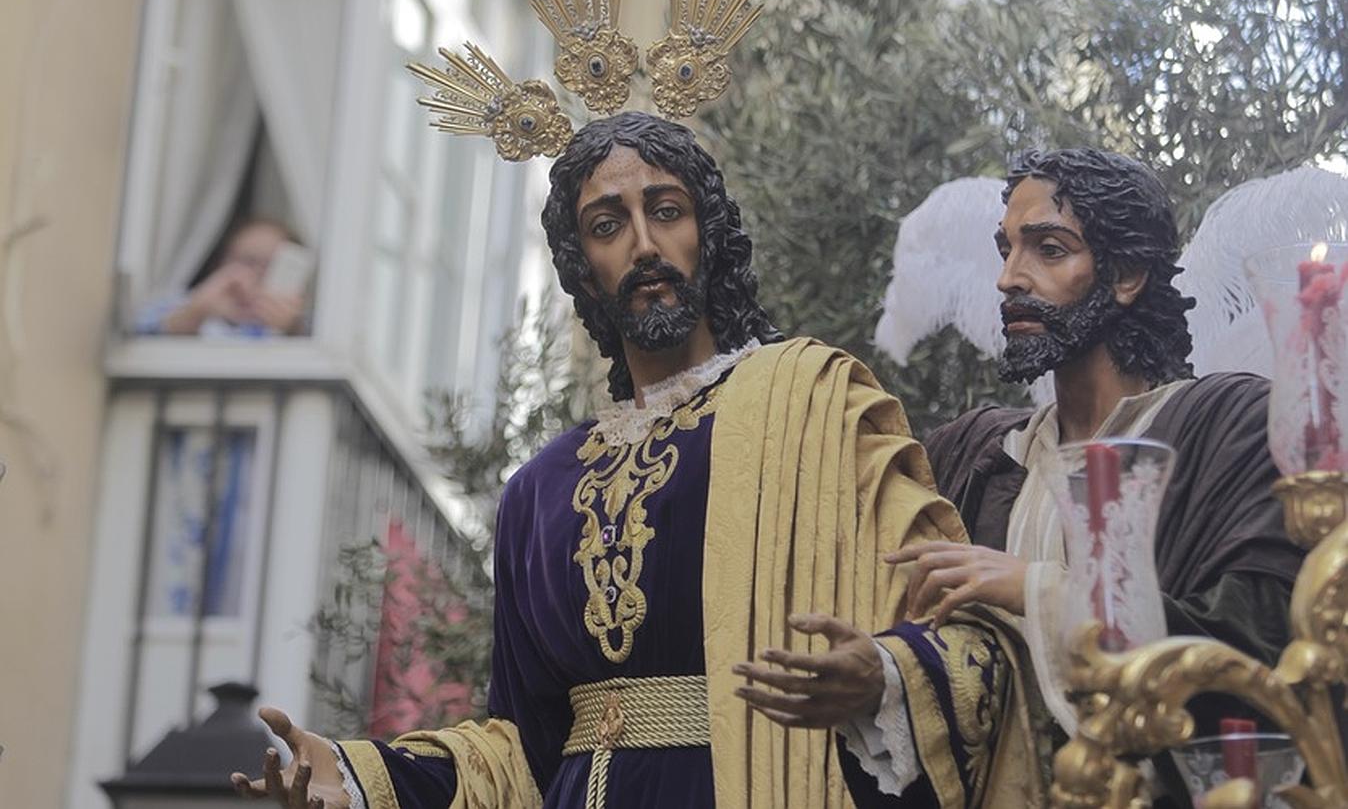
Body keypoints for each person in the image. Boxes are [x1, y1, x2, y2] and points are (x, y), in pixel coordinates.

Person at [230, 112, 985, 808]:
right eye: (607, 224)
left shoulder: (816, 405)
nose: (645, 245)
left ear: (708, 233)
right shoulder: (539, 491)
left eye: (666, 211)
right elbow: (521, 750)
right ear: (581, 266)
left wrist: (882, 677)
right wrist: (359, 779)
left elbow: (952, 626)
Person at [734, 148, 1305, 807]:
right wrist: (883, 675)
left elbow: (1265, 651)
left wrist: (1035, 588)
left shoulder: (1227, 425)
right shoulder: (975, 454)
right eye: (1006, 250)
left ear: (1124, 274)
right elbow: (953, 661)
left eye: (1049, 250)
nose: (1009, 278)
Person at [136, 216, 308, 337]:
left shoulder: (300, 324)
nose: (258, 274)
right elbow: (135, 338)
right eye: (248, 261)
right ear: (222, 263)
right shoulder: (181, 305)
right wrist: (196, 312)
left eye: (271, 265)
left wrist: (291, 330)